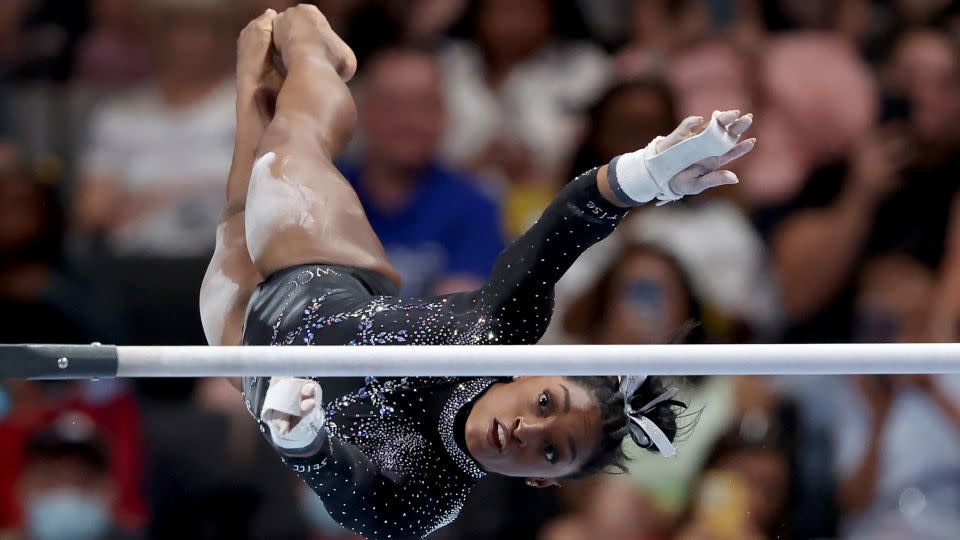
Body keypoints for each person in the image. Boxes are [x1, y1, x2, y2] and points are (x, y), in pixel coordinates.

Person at [199, 6, 755, 539]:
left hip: (247, 344)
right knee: (289, 153)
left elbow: (355, 498)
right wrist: (649, 173)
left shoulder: (433, 500)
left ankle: (254, 70)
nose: (528, 431)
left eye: (552, 451)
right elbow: (562, 228)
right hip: (322, 266)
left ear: (543, 479)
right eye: (545, 404)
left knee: (237, 210)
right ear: (532, 375)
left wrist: (305, 441)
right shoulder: (493, 334)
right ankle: (307, 43)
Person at [338, 46, 503, 296]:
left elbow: (457, 317)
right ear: (361, 111)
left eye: (423, 105)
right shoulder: (321, 198)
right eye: (391, 106)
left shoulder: (475, 206)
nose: (408, 121)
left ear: (443, 114)